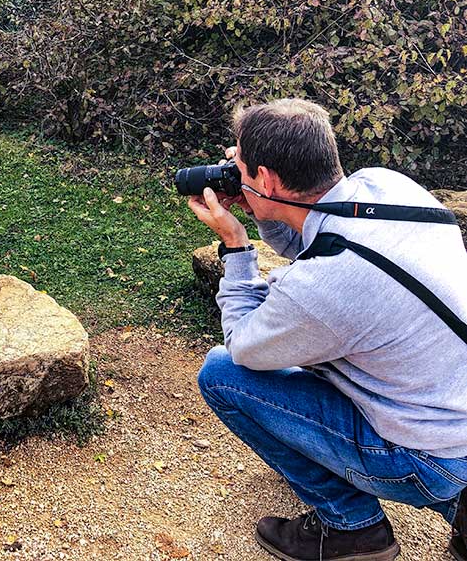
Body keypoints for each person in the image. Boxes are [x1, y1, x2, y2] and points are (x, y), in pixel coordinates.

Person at [187, 98, 467, 561]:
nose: (231, 170)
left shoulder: (323, 289)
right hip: (455, 405)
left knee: (221, 373)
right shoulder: (387, 186)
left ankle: (352, 529)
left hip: (432, 458)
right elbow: (315, 238)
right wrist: (263, 210)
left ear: (268, 179)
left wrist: (236, 245)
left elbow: (243, 343)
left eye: (239, 164)